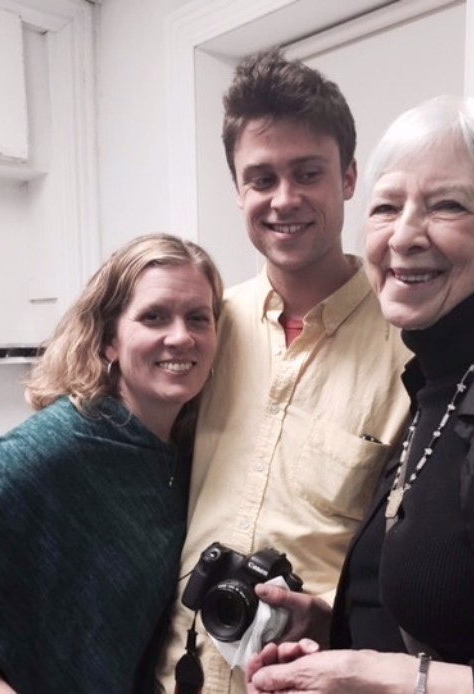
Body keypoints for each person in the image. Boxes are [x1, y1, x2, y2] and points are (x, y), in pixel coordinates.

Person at [244, 95, 474, 693]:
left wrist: (395, 679)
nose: (403, 236)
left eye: (447, 206)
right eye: (386, 207)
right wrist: (339, 629)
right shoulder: (433, 385)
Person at [156, 49, 412, 693]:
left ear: (348, 178)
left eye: (308, 173)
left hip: (309, 678)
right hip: (177, 671)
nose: (284, 199)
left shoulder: (410, 347)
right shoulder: (207, 326)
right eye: (262, 178)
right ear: (238, 190)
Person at [0, 232, 223, 693]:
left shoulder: (188, 455)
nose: (181, 337)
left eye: (198, 318)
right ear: (109, 340)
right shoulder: (55, 447)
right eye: (154, 317)